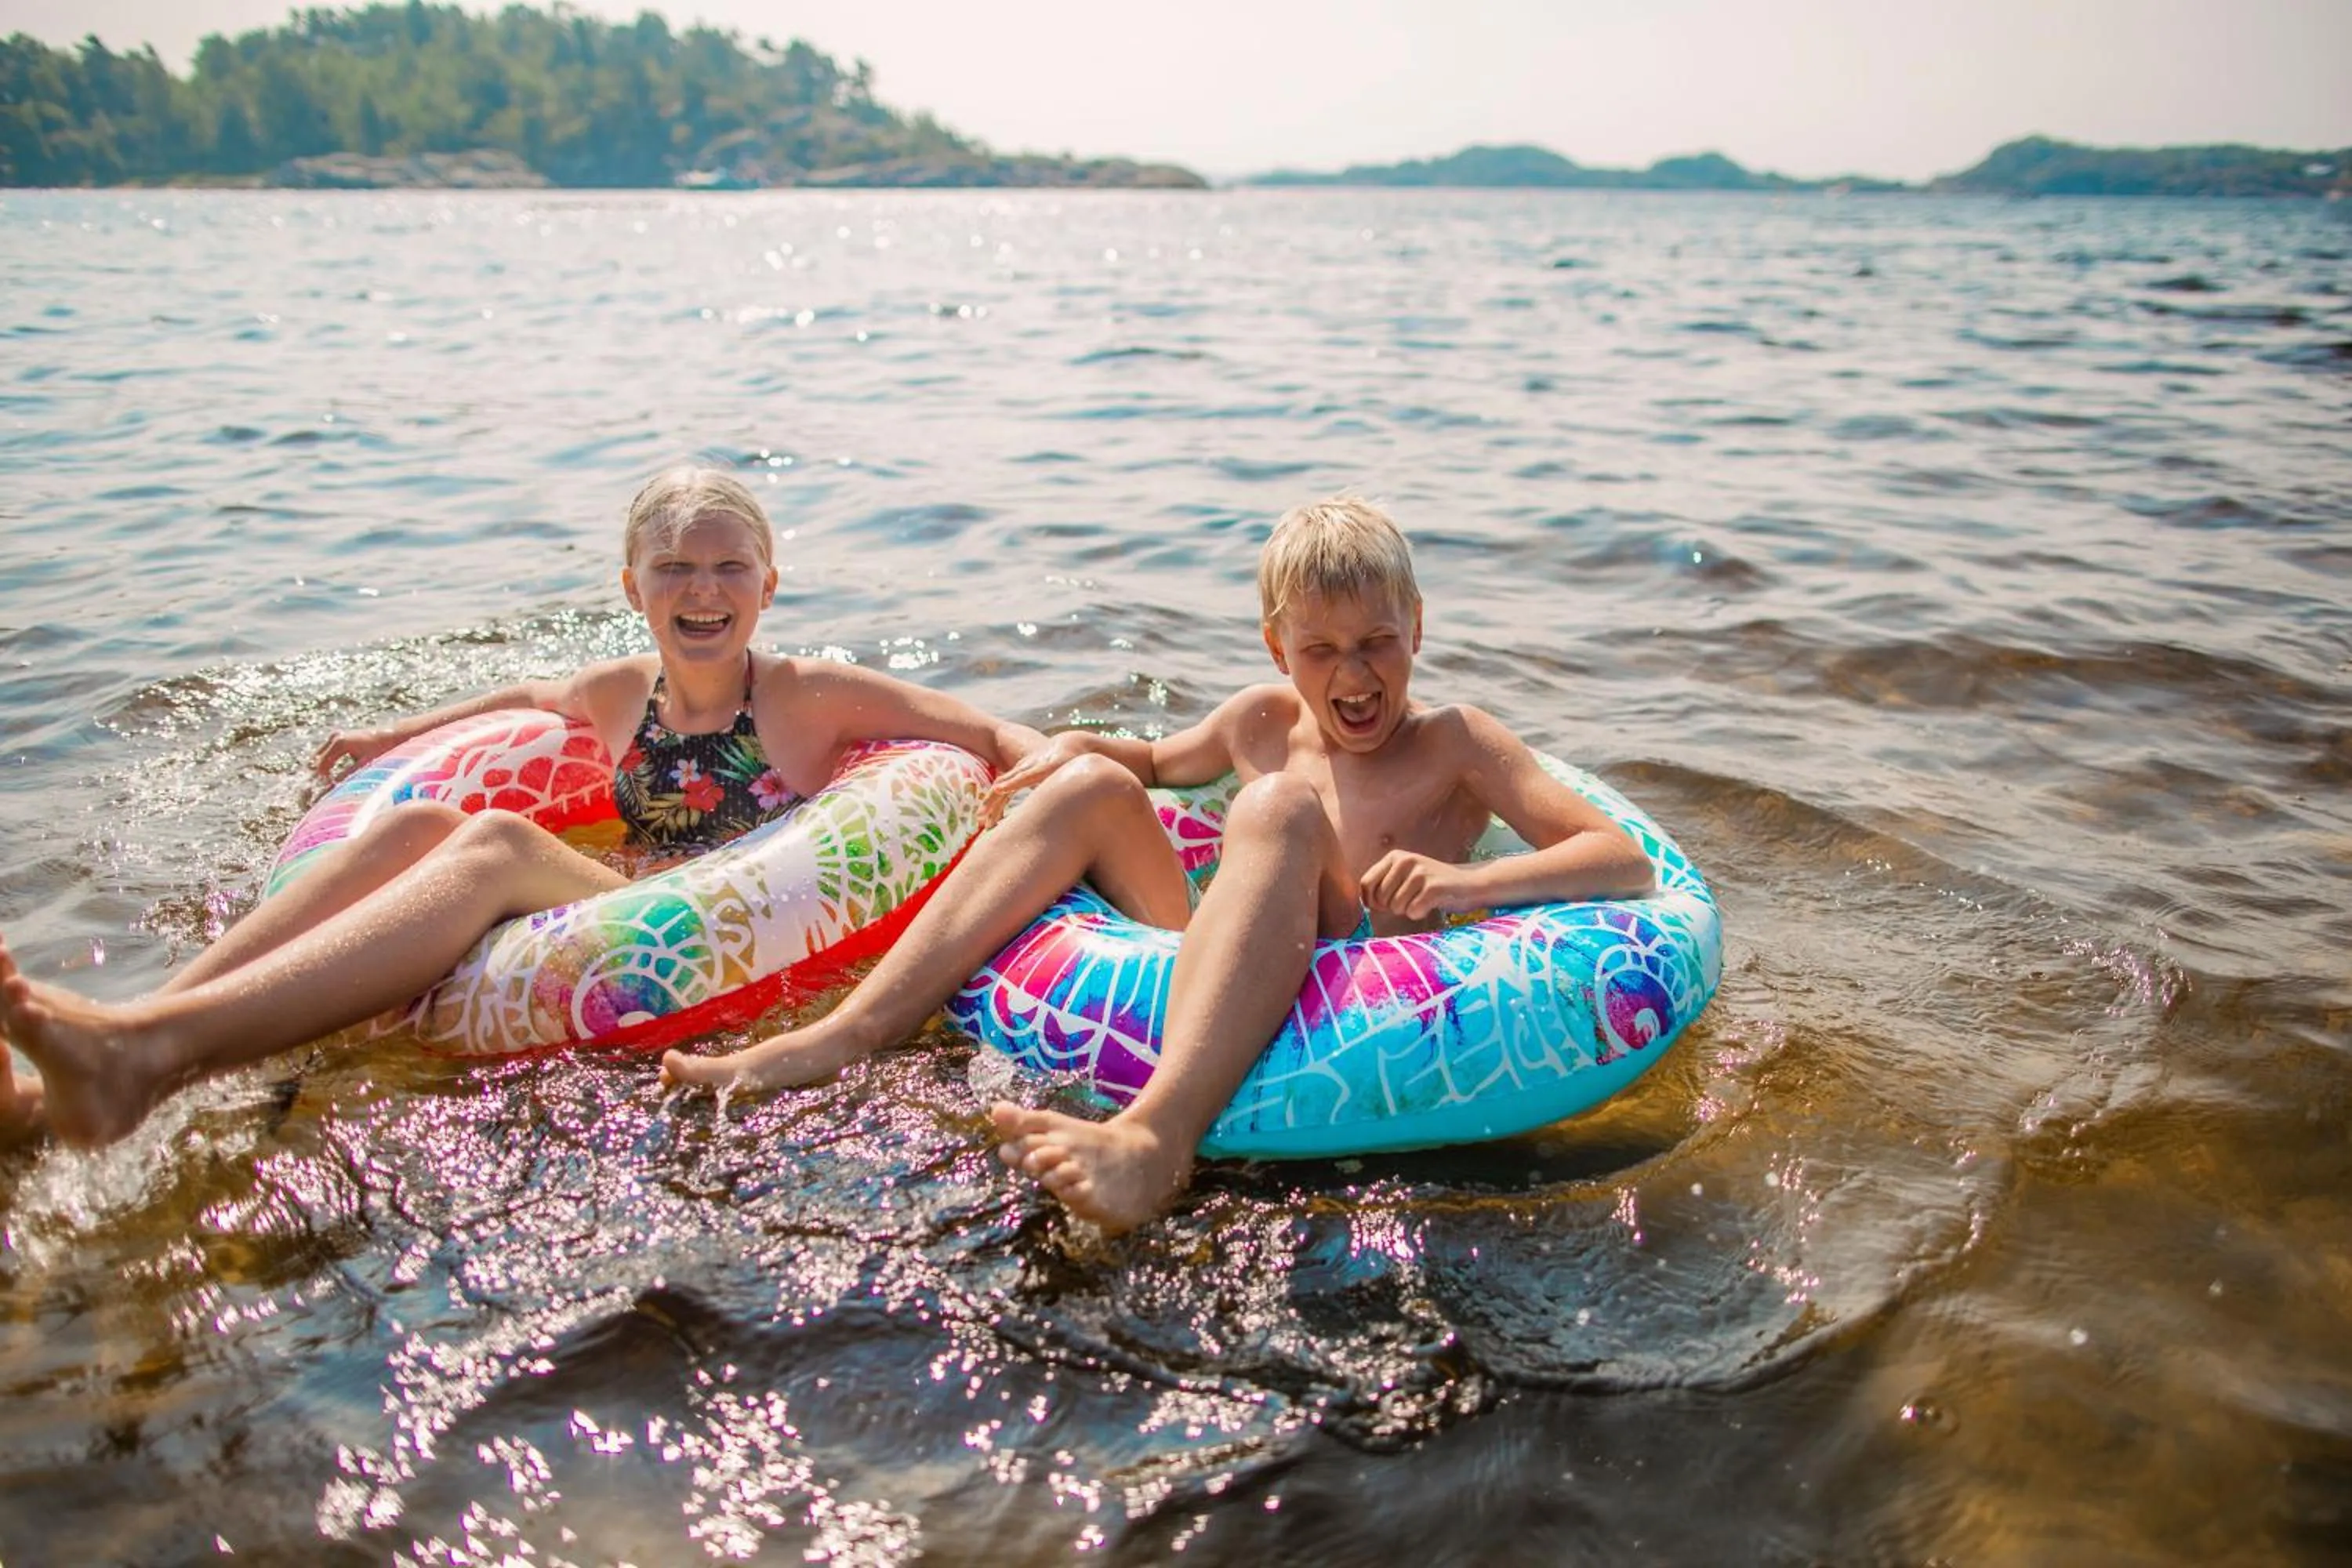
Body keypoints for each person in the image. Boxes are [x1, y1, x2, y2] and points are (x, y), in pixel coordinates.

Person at [661, 496, 1656, 1234]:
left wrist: (1470, 885)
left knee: (1272, 806)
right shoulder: (1259, 719)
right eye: (1322, 650)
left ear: (1419, 631)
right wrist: (1073, 747)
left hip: (1363, 980)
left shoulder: (1456, 743)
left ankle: (1156, 1136)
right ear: (1277, 648)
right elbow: (1152, 762)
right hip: (1228, 958)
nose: (1354, 677)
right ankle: (851, 1028)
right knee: (1091, 788)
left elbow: (1621, 860)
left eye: (1378, 644)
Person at [0, 467, 1044, 1149]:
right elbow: (520, 702)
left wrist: (1047, 771)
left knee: (496, 842)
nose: (702, 587)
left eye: (729, 567)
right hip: (612, 896)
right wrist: (389, 740)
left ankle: (141, 1051)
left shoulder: (805, 695)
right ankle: (134, 1040)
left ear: (768, 586)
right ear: (633, 587)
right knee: (414, 827)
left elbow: (984, 730)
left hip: (707, 920)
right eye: (673, 566)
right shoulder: (617, 692)